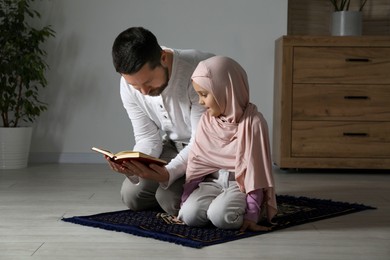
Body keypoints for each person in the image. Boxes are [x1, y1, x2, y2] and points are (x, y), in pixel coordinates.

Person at [109, 27, 214, 216]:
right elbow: (147, 136)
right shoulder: (128, 84)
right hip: (173, 147)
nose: (143, 92)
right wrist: (135, 164)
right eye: (135, 85)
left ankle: (212, 191)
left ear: (163, 58)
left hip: (209, 150)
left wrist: (169, 173)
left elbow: (201, 142)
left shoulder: (199, 71)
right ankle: (180, 193)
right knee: (131, 196)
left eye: (148, 82)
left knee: (170, 200)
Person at [177, 56, 278, 231]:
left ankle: (246, 207)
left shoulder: (253, 123)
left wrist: (251, 214)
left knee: (222, 217)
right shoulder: (206, 121)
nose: (200, 102)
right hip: (211, 182)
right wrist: (184, 203)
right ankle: (215, 207)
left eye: (204, 94)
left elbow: (256, 173)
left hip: (238, 185)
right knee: (189, 216)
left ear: (226, 90)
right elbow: (197, 165)